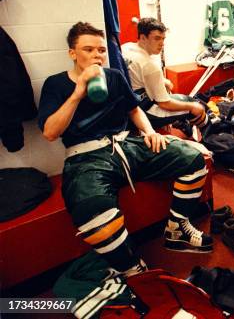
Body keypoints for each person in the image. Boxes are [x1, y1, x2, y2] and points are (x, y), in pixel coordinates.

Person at [38, 22, 213, 277]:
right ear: (72, 53)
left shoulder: (114, 76)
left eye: (100, 50)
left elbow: (133, 109)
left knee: (193, 159)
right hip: (85, 156)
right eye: (88, 49)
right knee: (90, 208)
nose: (97, 55)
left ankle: (177, 228)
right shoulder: (55, 85)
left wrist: (150, 132)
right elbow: (50, 133)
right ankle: (131, 268)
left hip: (126, 142)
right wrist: (78, 91)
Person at [122, 18, 208, 133]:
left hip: (126, 107)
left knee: (177, 95)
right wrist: (192, 107)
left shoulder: (125, 47)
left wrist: (163, 80)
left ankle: (180, 125)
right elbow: (165, 104)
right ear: (143, 37)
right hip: (141, 112)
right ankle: (210, 135)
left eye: (163, 39)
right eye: (157, 38)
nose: (162, 44)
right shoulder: (149, 65)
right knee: (194, 105)